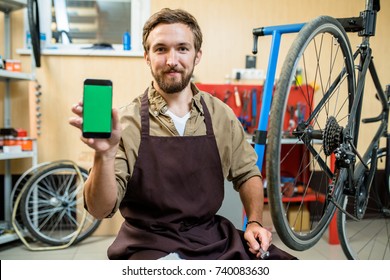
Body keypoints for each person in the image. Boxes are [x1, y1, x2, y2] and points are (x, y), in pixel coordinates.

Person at [69, 8, 296, 260]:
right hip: (147, 242)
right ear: (147, 57)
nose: (171, 60)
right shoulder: (126, 122)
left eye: (182, 48)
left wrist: (254, 222)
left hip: (209, 237)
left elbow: (247, 174)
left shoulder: (221, 114)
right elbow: (100, 210)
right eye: (161, 49)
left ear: (197, 55)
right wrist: (105, 155)